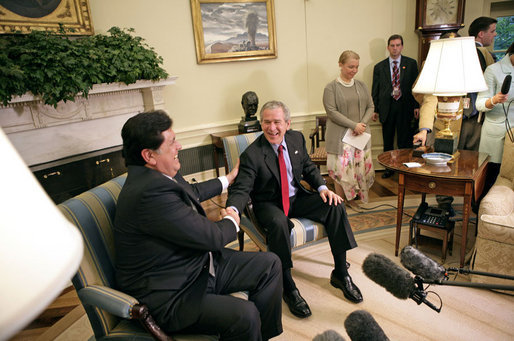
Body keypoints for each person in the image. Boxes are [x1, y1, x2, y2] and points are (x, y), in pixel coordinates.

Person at [114, 110, 283, 340]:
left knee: (270, 264)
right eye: (172, 142)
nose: (180, 146)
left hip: (197, 265)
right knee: (246, 315)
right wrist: (232, 219)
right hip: (174, 294)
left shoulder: (158, 175)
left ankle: (262, 337)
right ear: (149, 155)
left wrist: (227, 179)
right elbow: (212, 237)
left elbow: (190, 192)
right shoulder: (148, 193)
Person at [227, 101, 362, 320]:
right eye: (267, 122)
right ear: (262, 123)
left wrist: (322, 188)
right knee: (279, 224)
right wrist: (233, 208)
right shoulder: (252, 154)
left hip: (296, 197)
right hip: (269, 203)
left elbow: (308, 167)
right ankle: (288, 286)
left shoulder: (296, 138)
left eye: (277, 122)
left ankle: (340, 273)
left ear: (287, 123)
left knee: (334, 205)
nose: (272, 128)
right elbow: (242, 187)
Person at [323, 50, 375, 205]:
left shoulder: (362, 85)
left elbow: (370, 107)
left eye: (357, 67)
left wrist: (361, 125)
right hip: (340, 138)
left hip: (360, 136)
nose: (354, 70)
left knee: (361, 170)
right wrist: (353, 125)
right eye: (350, 66)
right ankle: (342, 204)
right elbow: (332, 112)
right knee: (342, 172)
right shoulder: (331, 88)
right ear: (340, 65)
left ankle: (360, 202)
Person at [372, 34, 419, 178]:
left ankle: (403, 169)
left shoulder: (411, 64)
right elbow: (375, 89)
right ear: (388, 47)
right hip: (387, 107)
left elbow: (415, 86)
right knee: (388, 140)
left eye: (398, 45)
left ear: (402, 47)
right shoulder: (379, 67)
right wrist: (375, 109)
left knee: (404, 141)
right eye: (392, 45)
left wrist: (417, 105)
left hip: (405, 107)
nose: (395, 48)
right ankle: (389, 168)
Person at [476, 42, 513, 195]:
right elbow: (479, 104)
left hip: (513, 132)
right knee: (491, 176)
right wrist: (494, 100)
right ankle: (480, 211)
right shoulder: (493, 70)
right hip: (496, 131)